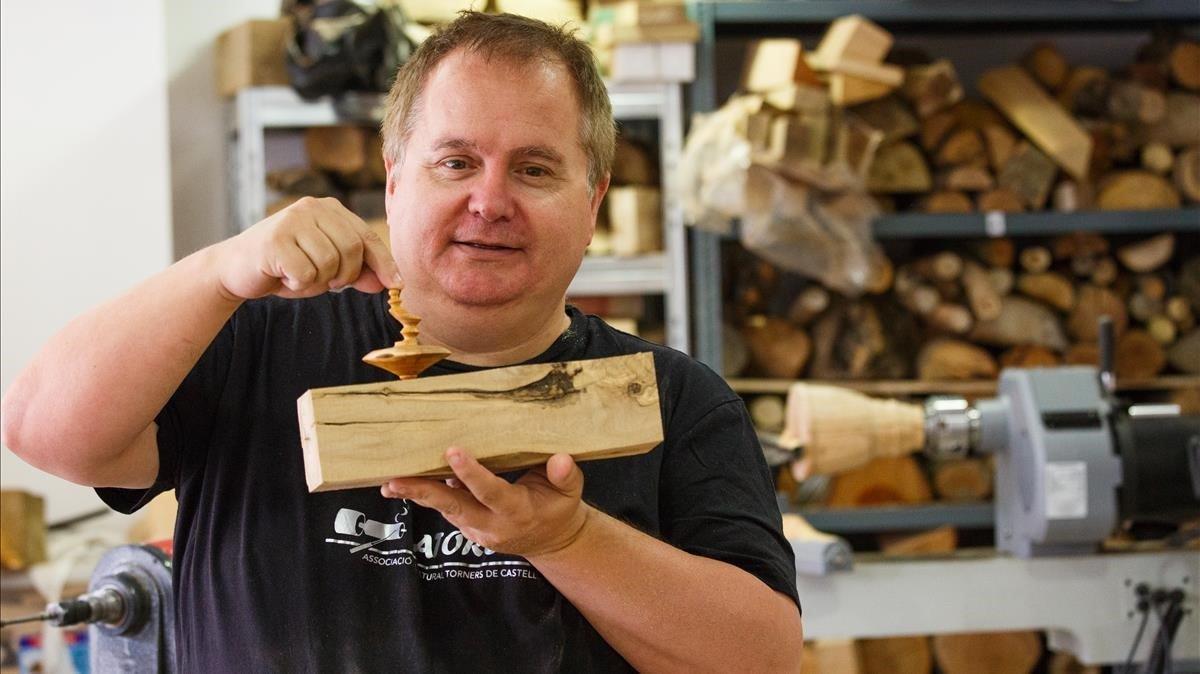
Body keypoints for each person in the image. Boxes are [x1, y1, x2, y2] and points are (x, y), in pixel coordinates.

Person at [2, 12, 802, 672]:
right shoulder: (251, 340)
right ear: (393, 179)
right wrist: (216, 271)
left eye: (534, 170)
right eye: (456, 161)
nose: (489, 201)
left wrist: (565, 537)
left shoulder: (673, 398)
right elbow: (43, 433)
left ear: (592, 202)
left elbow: (761, 660)